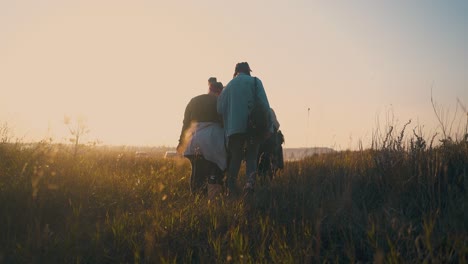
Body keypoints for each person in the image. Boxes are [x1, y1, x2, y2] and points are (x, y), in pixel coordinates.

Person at [217, 62, 272, 196]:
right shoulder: (255, 82)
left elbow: (219, 109)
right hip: (253, 128)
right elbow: (265, 106)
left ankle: (231, 188)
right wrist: (269, 127)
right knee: (252, 157)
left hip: (233, 130)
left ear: (235, 72)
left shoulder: (228, 87)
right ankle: (249, 185)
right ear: (248, 71)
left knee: (236, 158)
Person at [177, 78, 226, 199]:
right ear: (219, 91)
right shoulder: (220, 101)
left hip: (193, 142)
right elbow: (224, 122)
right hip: (213, 141)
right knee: (213, 171)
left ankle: (196, 200)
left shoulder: (194, 100)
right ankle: (213, 197)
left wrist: (181, 143)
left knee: (196, 172)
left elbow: (185, 124)